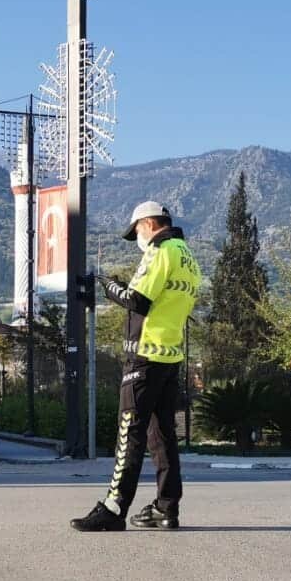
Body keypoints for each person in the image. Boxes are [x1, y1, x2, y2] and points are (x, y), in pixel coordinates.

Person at [71, 201, 201, 532]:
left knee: (130, 432)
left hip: (144, 355)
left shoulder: (160, 251)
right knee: (163, 436)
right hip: (170, 355)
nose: (137, 237)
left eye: (136, 231)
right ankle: (166, 508)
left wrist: (107, 284)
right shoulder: (188, 256)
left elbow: (137, 300)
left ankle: (114, 508)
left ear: (148, 223)